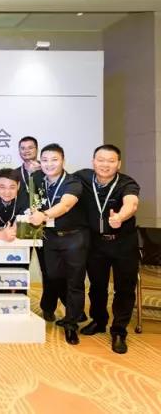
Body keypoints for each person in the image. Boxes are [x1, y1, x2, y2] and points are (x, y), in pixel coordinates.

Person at [75, 144, 140, 354]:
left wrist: (120, 216)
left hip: (124, 243)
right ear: (93, 162)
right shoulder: (83, 178)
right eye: (101, 160)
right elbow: (59, 179)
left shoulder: (127, 183)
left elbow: (132, 203)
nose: (105, 165)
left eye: (111, 161)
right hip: (96, 243)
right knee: (97, 286)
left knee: (124, 288)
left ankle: (119, 330)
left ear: (118, 164)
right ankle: (99, 320)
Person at [28, 143, 88, 345]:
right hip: (50, 237)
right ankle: (63, 309)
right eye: (45, 160)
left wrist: (44, 215)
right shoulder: (38, 178)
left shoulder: (72, 182)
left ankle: (71, 324)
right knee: (53, 276)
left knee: (75, 282)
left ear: (63, 161)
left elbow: (65, 205)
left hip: (74, 238)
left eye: (54, 160)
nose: (49, 164)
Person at [0, 168, 28, 241]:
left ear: (18, 186)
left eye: (12, 187)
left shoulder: (25, 198)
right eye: (2, 187)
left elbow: (18, 228)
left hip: (16, 241)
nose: (7, 192)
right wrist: (1, 235)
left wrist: (9, 233)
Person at [15, 136, 43, 205]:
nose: (26, 151)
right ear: (19, 151)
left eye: (30, 148)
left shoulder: (47, 170)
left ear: (37, 150)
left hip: (46, 209)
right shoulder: (14, 173)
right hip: (23, 210)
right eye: (23, 148)